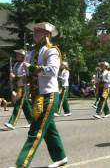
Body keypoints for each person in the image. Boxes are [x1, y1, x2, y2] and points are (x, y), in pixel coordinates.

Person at [13, 22, 67, 167]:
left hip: (48, 95)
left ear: (47, 35)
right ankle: (60, 157)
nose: (34, 34)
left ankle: (21, 164)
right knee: (49, 130)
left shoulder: (52, 50)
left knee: (35, 131)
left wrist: (32, 68)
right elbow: (29, 76)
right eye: (34, 32)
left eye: (38, 32)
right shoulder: (31, 53)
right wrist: (20, 81)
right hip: (37, 95)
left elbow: (52, 71)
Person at [4, 49, 33, 130]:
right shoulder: (16, 64)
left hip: (24, 87)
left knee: (18, 104)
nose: (17, 55)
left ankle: (12, 123)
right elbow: (13, 76)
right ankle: (32, 122)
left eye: (18, 54)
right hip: (18, 86)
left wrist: (15, 77)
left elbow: (25, 77)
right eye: (17, 54)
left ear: (23, 56)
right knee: (25, 106)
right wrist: (12, 77)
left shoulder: (25, 64)